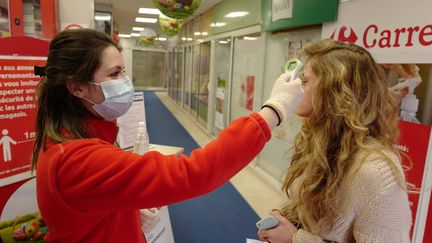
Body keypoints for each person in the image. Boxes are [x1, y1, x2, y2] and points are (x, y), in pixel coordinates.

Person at [31, 28, 304, 242]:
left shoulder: (69, 138)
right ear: (77, 88)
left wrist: (127, 211)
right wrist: (274, 110)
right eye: (114, 73)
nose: (125, 81)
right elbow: (194, 172)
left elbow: (92, 205)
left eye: (124, 70)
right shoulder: (77, 159)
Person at [258, 39, 412, 243]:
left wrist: (295, 238)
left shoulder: (377, 172)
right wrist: (289, 217)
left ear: (335, 91)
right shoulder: (319, 141)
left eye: (304, 80)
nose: (296, 86)